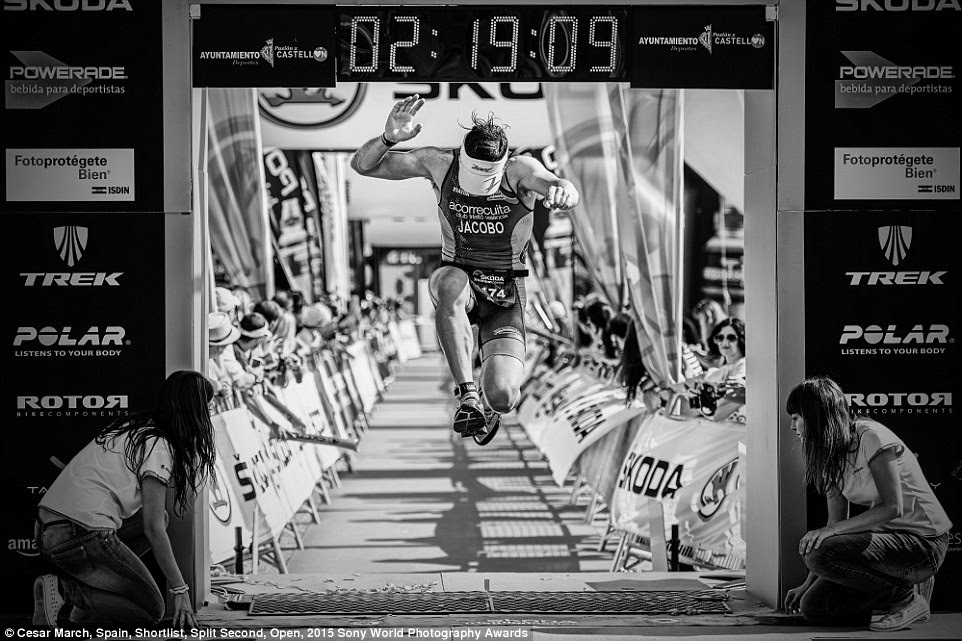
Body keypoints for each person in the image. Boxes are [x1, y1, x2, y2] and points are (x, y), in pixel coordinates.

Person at [351, 96, 579, 442]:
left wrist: (564, 192)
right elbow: (363, 166)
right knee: (451, 282)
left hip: (506, 294)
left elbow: (560, 186)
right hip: (460, 278)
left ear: (503, 163)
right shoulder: (439, 163)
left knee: (503, 397)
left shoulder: (521, 170)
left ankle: (488, 402)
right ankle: (468, 394)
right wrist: (388, 139)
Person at [33, 371, 215, 629]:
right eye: (207, 406)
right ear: (193, 410)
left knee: (160, 517)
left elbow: (153, 521)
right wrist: (180, 590)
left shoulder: (130, 428)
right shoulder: (158, 445)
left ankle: (82, 608)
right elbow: (153, 529)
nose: (210, 412)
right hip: (79, 534)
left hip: (46, 531)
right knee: (151, 610)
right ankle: (65, 593)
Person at [783, 377, 951, 631]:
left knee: (819, 551)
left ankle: (906, 598)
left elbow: (892, 507)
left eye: (796, 417)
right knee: (814, 607)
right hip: (887, 545)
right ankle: (905, 591)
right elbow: (835, 523)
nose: (792, 424)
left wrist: (829, 533)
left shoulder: (870, 436)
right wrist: (807, 584)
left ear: (816, 415)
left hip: (925, 544)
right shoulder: (828, 454)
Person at [208, 311, 255, 395]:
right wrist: (220, 386)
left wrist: (224, 383)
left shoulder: (209, 355)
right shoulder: (208, 356)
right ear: (220, 347)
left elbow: (222, 375)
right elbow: (205, 384)